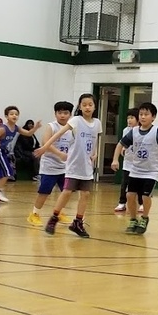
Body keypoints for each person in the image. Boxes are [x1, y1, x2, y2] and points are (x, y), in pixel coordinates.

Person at [35, 94, 100, 237]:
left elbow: (94, 141)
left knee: (85, 194)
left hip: (86, 166)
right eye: (84, 105)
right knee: (67, 192)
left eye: (90, 104)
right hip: (73, 165)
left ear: (95, 106)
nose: (87, 107)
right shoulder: (76, 120)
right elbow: (58, 134)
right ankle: (54, 218)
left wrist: (94, 154)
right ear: (79, 107)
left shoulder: (97, 123)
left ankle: (77, 222)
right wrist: (45, 147)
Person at [110, 101, 158, 235]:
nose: (143, 117)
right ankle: (133, 219)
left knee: (145, 196)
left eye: (146, 114)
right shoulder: (133, 132)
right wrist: (115, 159)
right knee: (129, 195)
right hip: (135, 170)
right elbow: (120, 144)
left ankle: (144, 218)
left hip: (151, 171)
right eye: (141, 114)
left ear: (153, 117)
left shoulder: (157, 132)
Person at [27, 102, 75, 228]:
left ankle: (59, 212)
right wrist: (59, 154)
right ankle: (34, 214)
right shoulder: (51, 126)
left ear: (70, 114)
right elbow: (45, 142)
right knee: (44, 192)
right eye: (60, 113)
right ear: (55, 114)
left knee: (66, 191)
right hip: (50, 166)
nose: (62, 115)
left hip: (65, 167)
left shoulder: (72, 128)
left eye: (65, 113)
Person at [114, 108, 138, 213]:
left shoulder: (142, 131)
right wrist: (122, 149)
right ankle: (122, 203)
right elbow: (123, 143)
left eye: (132, 118)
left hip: (139, 164)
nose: (129, 120)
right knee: (124, 184)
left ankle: (141, 203)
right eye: (128, 118)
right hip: (128, 163)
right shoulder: (126, 130)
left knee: (139, 185)